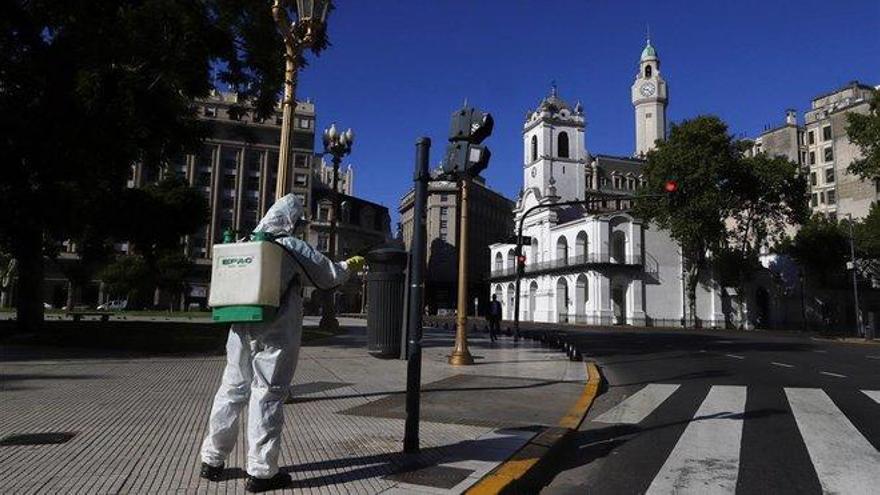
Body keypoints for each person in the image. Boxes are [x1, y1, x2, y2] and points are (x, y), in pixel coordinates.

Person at [199, 194, 365, 493]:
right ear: (291, 221)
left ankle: (212, 460)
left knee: (231, 391)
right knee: (267, 394)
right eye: (299, 223)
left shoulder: (244, 242)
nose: (300, 228)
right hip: (274, 330)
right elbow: (328, 276)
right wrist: (349, 265)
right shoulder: (288, 245)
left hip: (239, 327)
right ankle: (261, 472)